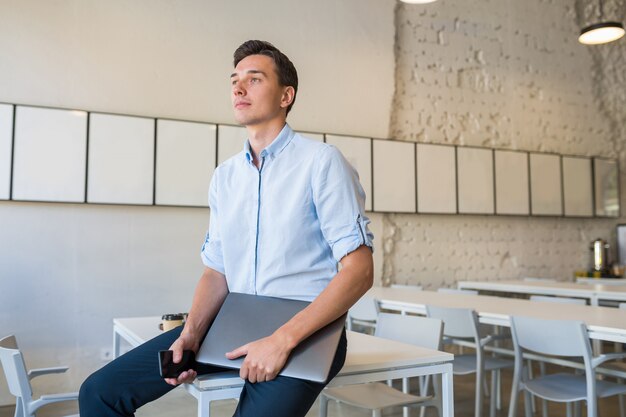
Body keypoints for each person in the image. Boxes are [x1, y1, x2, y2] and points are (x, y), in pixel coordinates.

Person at [79, 39, 374, 417]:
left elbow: (359, 272)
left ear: (286, 96)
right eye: (234, 80)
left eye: (254, 79)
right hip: (231, 322)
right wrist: (191, 334)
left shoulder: (322, 163)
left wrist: (282, 341)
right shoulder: (225, 177)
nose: (237, 88)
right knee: (99, 393)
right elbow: (216, 269)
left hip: (305, 333)